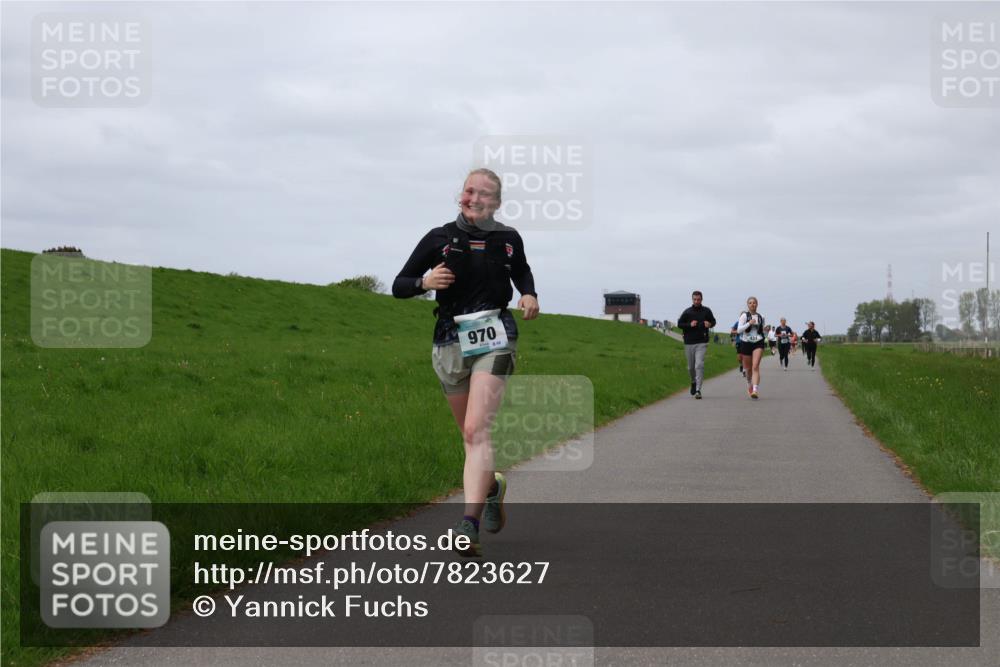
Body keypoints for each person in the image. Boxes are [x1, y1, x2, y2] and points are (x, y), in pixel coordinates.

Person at [393, 168, 539, 557]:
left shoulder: (508, 239)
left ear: (497, 203)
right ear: (461, 195)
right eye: (469, 191)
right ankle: (491, 487)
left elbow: (521, 269)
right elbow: (399, 285)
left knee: (477, 429)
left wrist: (528, 294)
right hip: (448, 340)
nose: (474, 198)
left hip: (495, 334)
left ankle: (467, 525)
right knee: (469, 435)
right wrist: (424, 283)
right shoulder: (438, 238)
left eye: (484, 194)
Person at [677, 291, 717, 399]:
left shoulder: (706, 311)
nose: (696, 301)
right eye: (694, 299)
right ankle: (693, 381)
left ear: (701, 299)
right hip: (689, 342)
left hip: (702, 342)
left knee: (699, 365)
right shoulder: (687, 312)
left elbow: (713, 321)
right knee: (691, 367)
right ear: (692, 299)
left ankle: (698, 390)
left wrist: (710, 324)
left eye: (698, 299)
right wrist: (689, 325)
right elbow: (679, 324)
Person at [736, 297, 766, 399]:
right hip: (746, 343)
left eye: (754, 303)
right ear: (747, 305)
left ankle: (755, 390)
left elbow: (762, 330)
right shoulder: (744, 316)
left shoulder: (761, 316)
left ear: (757, 304)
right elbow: (739, 330)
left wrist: (764, 330)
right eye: (750, 303)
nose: (752, 304)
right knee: (748, 369)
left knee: (755, 366)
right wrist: (749, 323)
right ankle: (749, 383)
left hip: (758, 342)